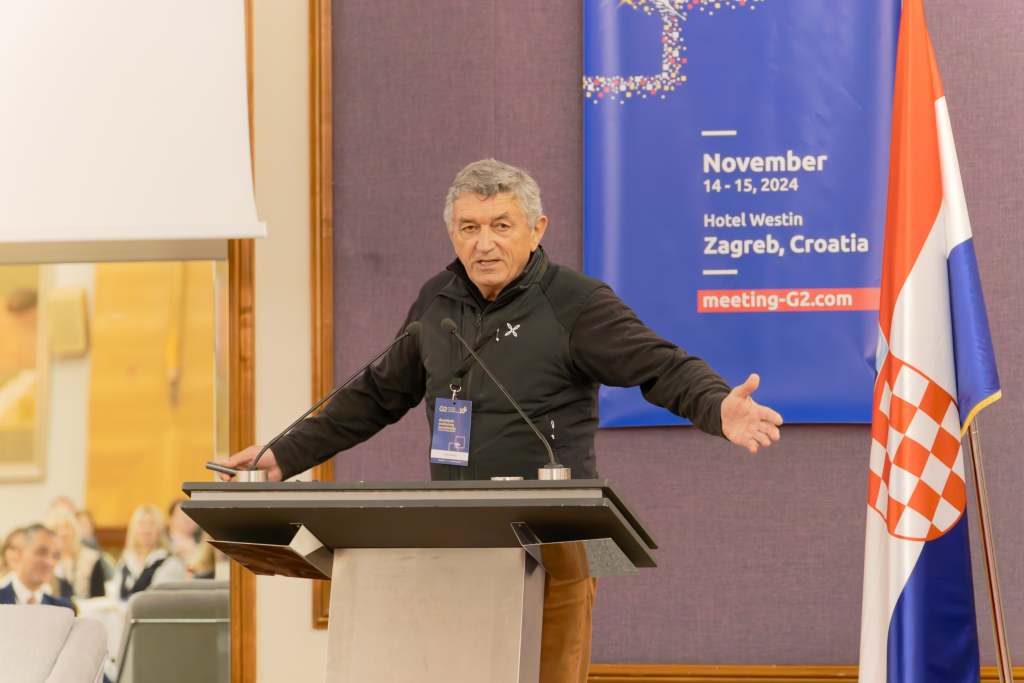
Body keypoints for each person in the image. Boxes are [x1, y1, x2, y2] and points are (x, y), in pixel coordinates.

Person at [223, 159, 783, 682]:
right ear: (452, 234)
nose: (483, 243)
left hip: (553, 547)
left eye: (501, 225)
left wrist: (717, 405)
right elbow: (374, 395)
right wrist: (284, 454)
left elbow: (661, 367)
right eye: (468, 227)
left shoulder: (576, 303)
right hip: (459, 546)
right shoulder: (437, 303)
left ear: (537, 230)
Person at [112, 504, 187, 600]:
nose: (146, 530)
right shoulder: (124, 563)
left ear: (160, 529)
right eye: (141, 524)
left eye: (152, 524)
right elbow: (115, 597)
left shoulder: (171, 563)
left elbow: (161, 600)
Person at [0, 524, 74, 611]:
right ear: (19, 553)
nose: (50, 562)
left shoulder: (62, 608)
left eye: (56, 556)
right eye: (41, 552)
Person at [47, 507, 106, 598]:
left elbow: (99, 598)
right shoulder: (46, 561)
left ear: (75, 530)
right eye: (57, 529)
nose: (63, 533)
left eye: (67, 527)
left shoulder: (92, 559)